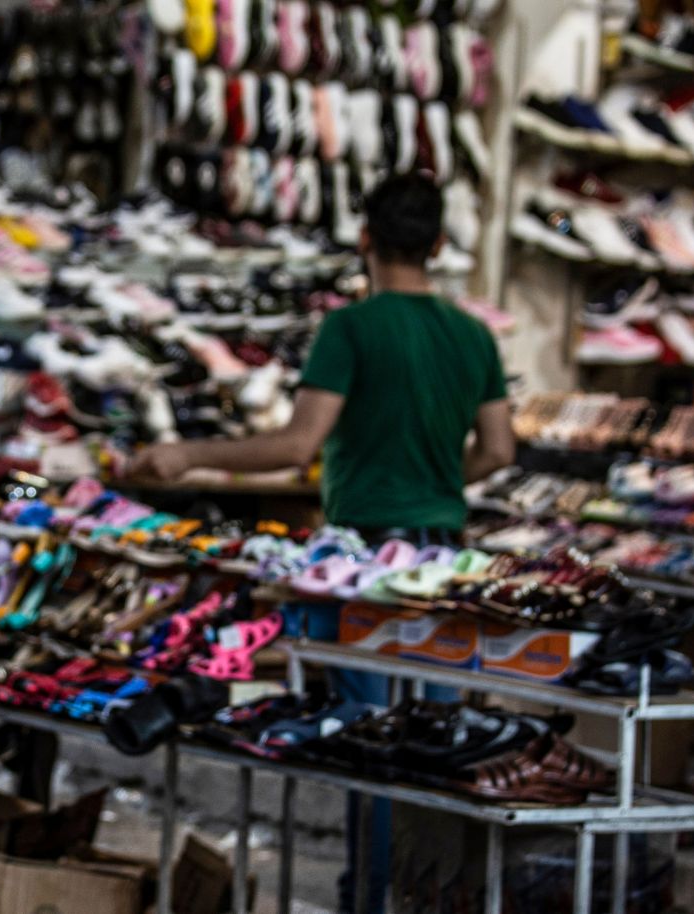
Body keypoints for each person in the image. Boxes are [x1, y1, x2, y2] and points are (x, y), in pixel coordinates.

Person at [129, 172, 514, 914]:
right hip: (444, 560)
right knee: (436, 748)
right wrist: (436, 483)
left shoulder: (350, 329)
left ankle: (368, 901)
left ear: (365, 239)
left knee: (370, 745)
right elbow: (498, 450)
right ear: (438, 244)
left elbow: (299, 442)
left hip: (365, 565)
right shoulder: (472, 335)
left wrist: (190, 456)